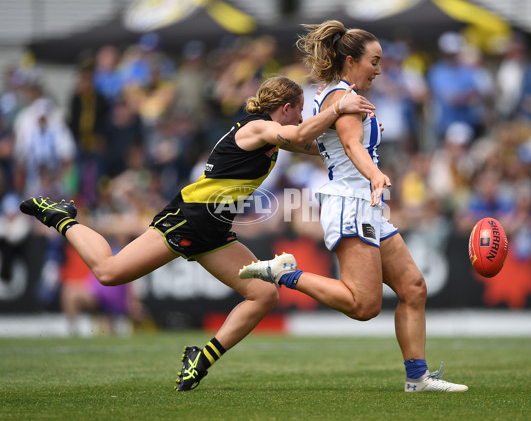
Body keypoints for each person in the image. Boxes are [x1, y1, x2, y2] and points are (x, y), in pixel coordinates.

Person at [19, 76, 375, 391]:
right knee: (109, 272)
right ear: (284, 108)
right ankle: (62, 218)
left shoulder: (274, 133)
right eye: (299, 110)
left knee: (264, 295)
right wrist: (338, 106)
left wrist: (358, 137)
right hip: (187, 218)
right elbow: (300, 134)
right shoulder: (257, 127)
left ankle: (200, 359)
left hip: (214, 231)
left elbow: (316, 146)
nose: (301, 116)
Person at [240, 20, 468, 392]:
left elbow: (335, 146)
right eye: (374, 62)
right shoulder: (341, 98)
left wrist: (369, 176)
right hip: (352, 203)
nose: (379, 70)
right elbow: (352, 146)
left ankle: (418, 378)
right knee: (364, 306)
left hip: (366, 204)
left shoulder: (340, 94)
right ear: (350, 60)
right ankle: (285, 275)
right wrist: (375, 175)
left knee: (413, 287)